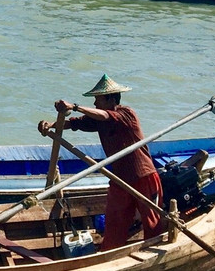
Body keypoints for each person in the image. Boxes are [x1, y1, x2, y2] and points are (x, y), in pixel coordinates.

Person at [37, 74, 163, 251]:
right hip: (120, 179)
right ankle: (107, 254)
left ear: (111, 99)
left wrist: (75, 106)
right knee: (114, 222)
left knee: (152, 221)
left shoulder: (126, 114)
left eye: (98, 99)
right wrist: (50, 125)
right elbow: (75, 124)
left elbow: (105, 116)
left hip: (142, 176)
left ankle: (155, 251)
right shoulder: (98, 120)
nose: (95, 103)